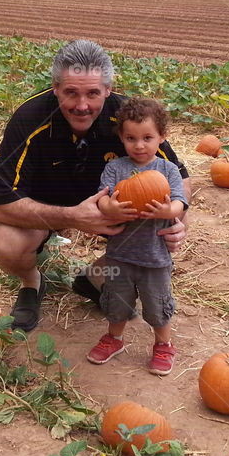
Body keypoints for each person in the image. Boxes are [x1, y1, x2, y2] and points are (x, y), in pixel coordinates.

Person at [0, 39, 191, 332]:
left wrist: (176, 218)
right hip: (45, 207)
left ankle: (95, 276)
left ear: (107, 90)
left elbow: (181, 177)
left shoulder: (128, 118)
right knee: (7, 242)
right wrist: (74, 217)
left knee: (171, 216)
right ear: (55, 88)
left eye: (93, 93)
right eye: (71, 92)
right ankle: (32, 283)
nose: (82, 106)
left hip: (114, 208)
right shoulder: (30, 118)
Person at [87, 97, 187, 375]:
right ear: (121, 137)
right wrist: (111, 207)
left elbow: (180, 203)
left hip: (155, 257)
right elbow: (102, 200)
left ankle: (163, 345)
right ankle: (114, 338)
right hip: (120, 255)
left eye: (147, 138)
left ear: (162, 138)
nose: (139, 145)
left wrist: (167, 210)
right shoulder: (115, 168)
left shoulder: (167, 170)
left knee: (157, 305)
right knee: (117, 302)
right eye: (131, 138)